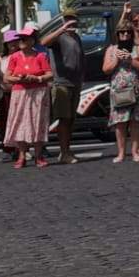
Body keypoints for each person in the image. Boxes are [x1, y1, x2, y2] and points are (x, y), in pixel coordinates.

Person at [101, 8, 139, 164]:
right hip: (119, 91)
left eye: (128, 32)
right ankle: (121, 153)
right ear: (117, 34)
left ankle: (135, 152)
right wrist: (116, 60)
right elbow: (105, 69)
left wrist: (130, 60)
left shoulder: (137, 48)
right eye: (122, 32)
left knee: (135, 122)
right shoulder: (111, 49)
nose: (125, 35)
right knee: (120, 123)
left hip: (136, 90)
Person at [2, 27, 53, 168]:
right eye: (20, 39)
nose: (21, 41)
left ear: (32, 40)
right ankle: (21, 156)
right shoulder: (14, 57)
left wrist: (37, 78)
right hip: (20, 93)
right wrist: (19, 79)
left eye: (25, 38)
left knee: (37, 123)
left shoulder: (40, 56)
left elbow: (50, 74)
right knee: (20, 123)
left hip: (37, 93)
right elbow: (6, 77)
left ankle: (38, 156)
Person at [41, 13, 86, 164]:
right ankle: (64, 152)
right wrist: (62, 29)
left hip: (75, 83)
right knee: (64, 119)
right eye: (67, 19)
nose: (71, 22)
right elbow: (44, 41)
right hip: (61, 83)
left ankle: (66, 151)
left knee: (71, 119)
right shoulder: (59, 37)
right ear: (63, 21)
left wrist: (81, 78)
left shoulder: (77, 38)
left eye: (73, 19)